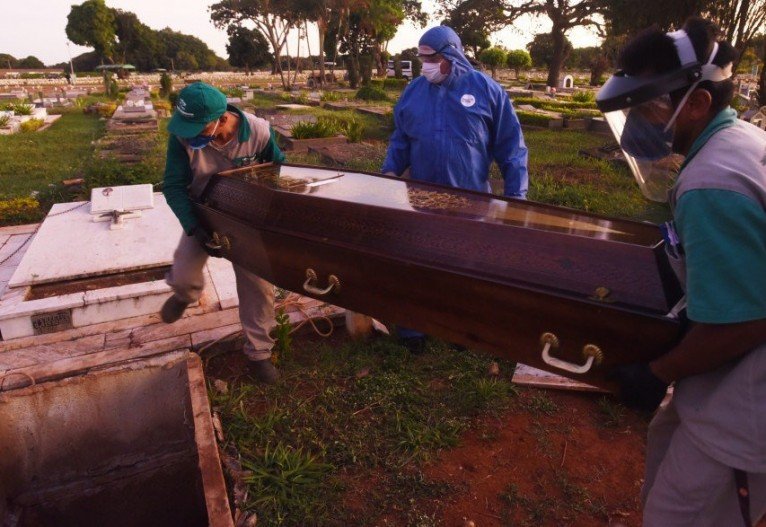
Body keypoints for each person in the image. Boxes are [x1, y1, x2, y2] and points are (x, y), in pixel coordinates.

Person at [599, 18, 766, 526]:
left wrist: (658, 372)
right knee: (664, 447)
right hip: (722, 382)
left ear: (697, 103)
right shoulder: (738, 141)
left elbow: (747, 320)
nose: (637, 122)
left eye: (646, 107)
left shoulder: (711, 184)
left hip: (746, 410)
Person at [381, 25, 529, 351]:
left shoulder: (487, 91)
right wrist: (390, 170)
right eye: (421, 59)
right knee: (418, 262)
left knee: (465, 265)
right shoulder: (414, 92)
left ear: (451, 56)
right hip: (421, 196)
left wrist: (516, 197)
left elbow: (512, 148)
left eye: (431, 59)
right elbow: (401, 138)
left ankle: (461, 328)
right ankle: (414, 329)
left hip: (470, 197)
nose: (425, 66)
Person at [160, 81, 285, 384]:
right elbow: (173, 186)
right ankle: (185, 294)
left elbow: (278, 170)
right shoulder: (182, 139)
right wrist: (195, 227)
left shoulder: (258, 132)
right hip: (202, 212)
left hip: (245, 216)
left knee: (258, 285)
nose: (190, 136)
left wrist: (267, 212)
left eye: (198, 129)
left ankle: (259, 353)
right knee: (184, 273)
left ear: (223, 118)